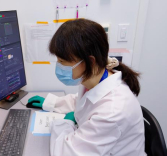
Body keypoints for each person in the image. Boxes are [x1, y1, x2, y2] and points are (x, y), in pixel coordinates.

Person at [28, 19, 146, 156]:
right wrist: (51, 103)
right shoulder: (97, 79)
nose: (58, 66)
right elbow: (82, 101)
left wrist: (64, 123)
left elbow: (67, 153)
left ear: (90, 61)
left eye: (62, 61)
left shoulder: (113, 111)